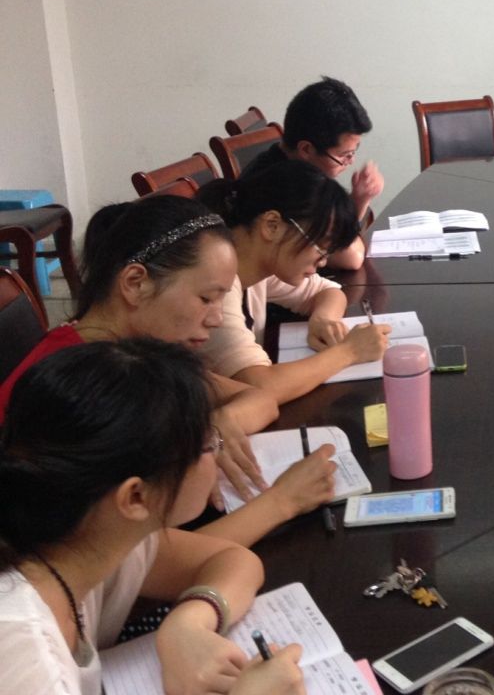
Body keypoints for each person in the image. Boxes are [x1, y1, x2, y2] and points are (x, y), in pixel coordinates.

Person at [0, 195, 337, 547]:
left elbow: (259, 398)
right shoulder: (89, 388)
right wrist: (283, 501)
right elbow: (137, 560)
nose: (216, 318)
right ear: (136, 283)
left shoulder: (138, 353)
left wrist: (215, 427)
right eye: (206, 298)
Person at [0, 339, 306, 694]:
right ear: (135, 496)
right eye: (208, 444)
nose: (216, 455)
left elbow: (233, 560)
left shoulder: (89, 534)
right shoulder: (23, 655)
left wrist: (186, 625)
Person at [196, 160, 390, 397]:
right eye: (320, 247)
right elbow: (260, 387)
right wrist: (350, 352)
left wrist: (323, 319)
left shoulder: (257, 265)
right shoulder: (215, 287)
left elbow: (328, 291)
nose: (323, 262)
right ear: (272, 226)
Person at [241, 77, 382, 270]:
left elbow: (335, 235)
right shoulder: (285, 186)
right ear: (306, 149)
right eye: (344, 155)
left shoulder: (283, 160)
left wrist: (359, 199)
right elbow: (350, 257)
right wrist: (358, 202)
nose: (350, 162)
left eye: (353, 152)